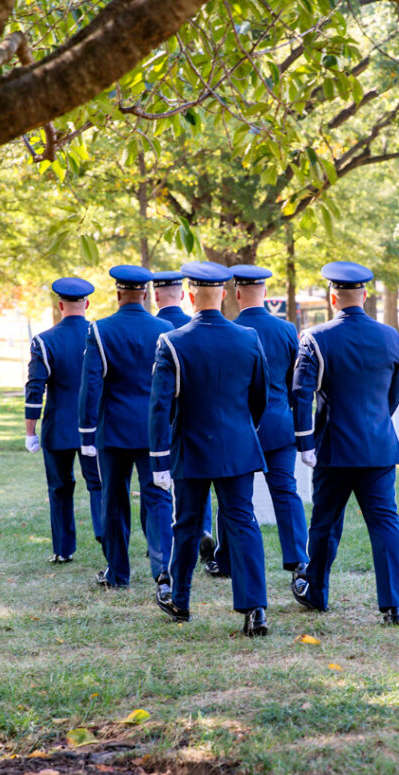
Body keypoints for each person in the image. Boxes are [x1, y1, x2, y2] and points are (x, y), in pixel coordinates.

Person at [148, 260, 271, 636]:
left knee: (185, 524)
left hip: (192, 447)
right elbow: (259, 398)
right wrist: (239, 430)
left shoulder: (172, 342)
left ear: (188, 295)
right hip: (237, 446)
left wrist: (158, 460)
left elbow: (160, 407)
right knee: (242, 522)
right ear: (223, 294)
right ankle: (255, 609)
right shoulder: (248, 337)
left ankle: (180, 600)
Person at [290, 261, 399, 625]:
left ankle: (316, 592)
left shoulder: (316, 337)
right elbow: (396, 387)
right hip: (377, 445)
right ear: (364, 295)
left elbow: (300, 392)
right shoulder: (389, 335)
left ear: (332, 297)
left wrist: (305, 441)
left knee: (325, 522)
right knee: (386, 521)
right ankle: (394, 605)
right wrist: (376, 421)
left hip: (335, 447)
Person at [79, 265, 175, 598]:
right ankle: (165, 571)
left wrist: (86, 434)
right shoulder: (165, 328)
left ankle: (118, 572)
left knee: (114, 502)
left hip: (114, 430)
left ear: (118, 294)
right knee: (159, 498)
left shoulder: (100, 330)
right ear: (146, 294)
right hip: (153, 430)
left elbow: (90, 386)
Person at [210, 264, 308, 582]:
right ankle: (297, 558)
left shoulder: (229, 331)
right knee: (285, 491)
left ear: (237, 295)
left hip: (240, 428)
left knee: (234, 498)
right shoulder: (287, 330)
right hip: (280, 424)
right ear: (264, 294)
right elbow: (296, 382)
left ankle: (225, 559)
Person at [24, 276, 103, 564]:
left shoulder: (44, 341)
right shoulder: (100, 335)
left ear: (60, 306)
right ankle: (106, 536)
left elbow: (35, 389)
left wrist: (30, 431)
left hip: (58, 426)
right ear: (87, 304)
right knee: (98, 484)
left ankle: (63, 549)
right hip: (93, 425)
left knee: (59, 487)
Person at [152, 269, 218, 567]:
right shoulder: (194, 325)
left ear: (154, 295)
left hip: (161, 414)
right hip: (196, 416)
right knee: (198, 479)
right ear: (182, 295)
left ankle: (168, 540)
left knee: (168, 484)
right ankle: (202, 529)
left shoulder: (155, 329)